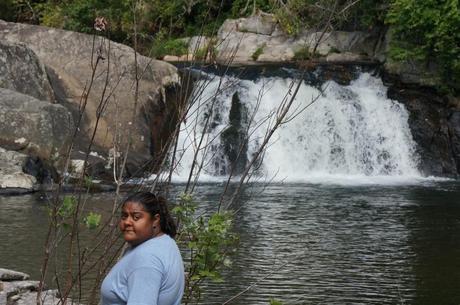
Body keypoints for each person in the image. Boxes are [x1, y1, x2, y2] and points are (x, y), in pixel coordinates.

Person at [101, 192, 184, 305]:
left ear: (155, 220)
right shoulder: (165, 242)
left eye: (136, 217)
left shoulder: (147, 259)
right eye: (124, 216)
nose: (127, 222)